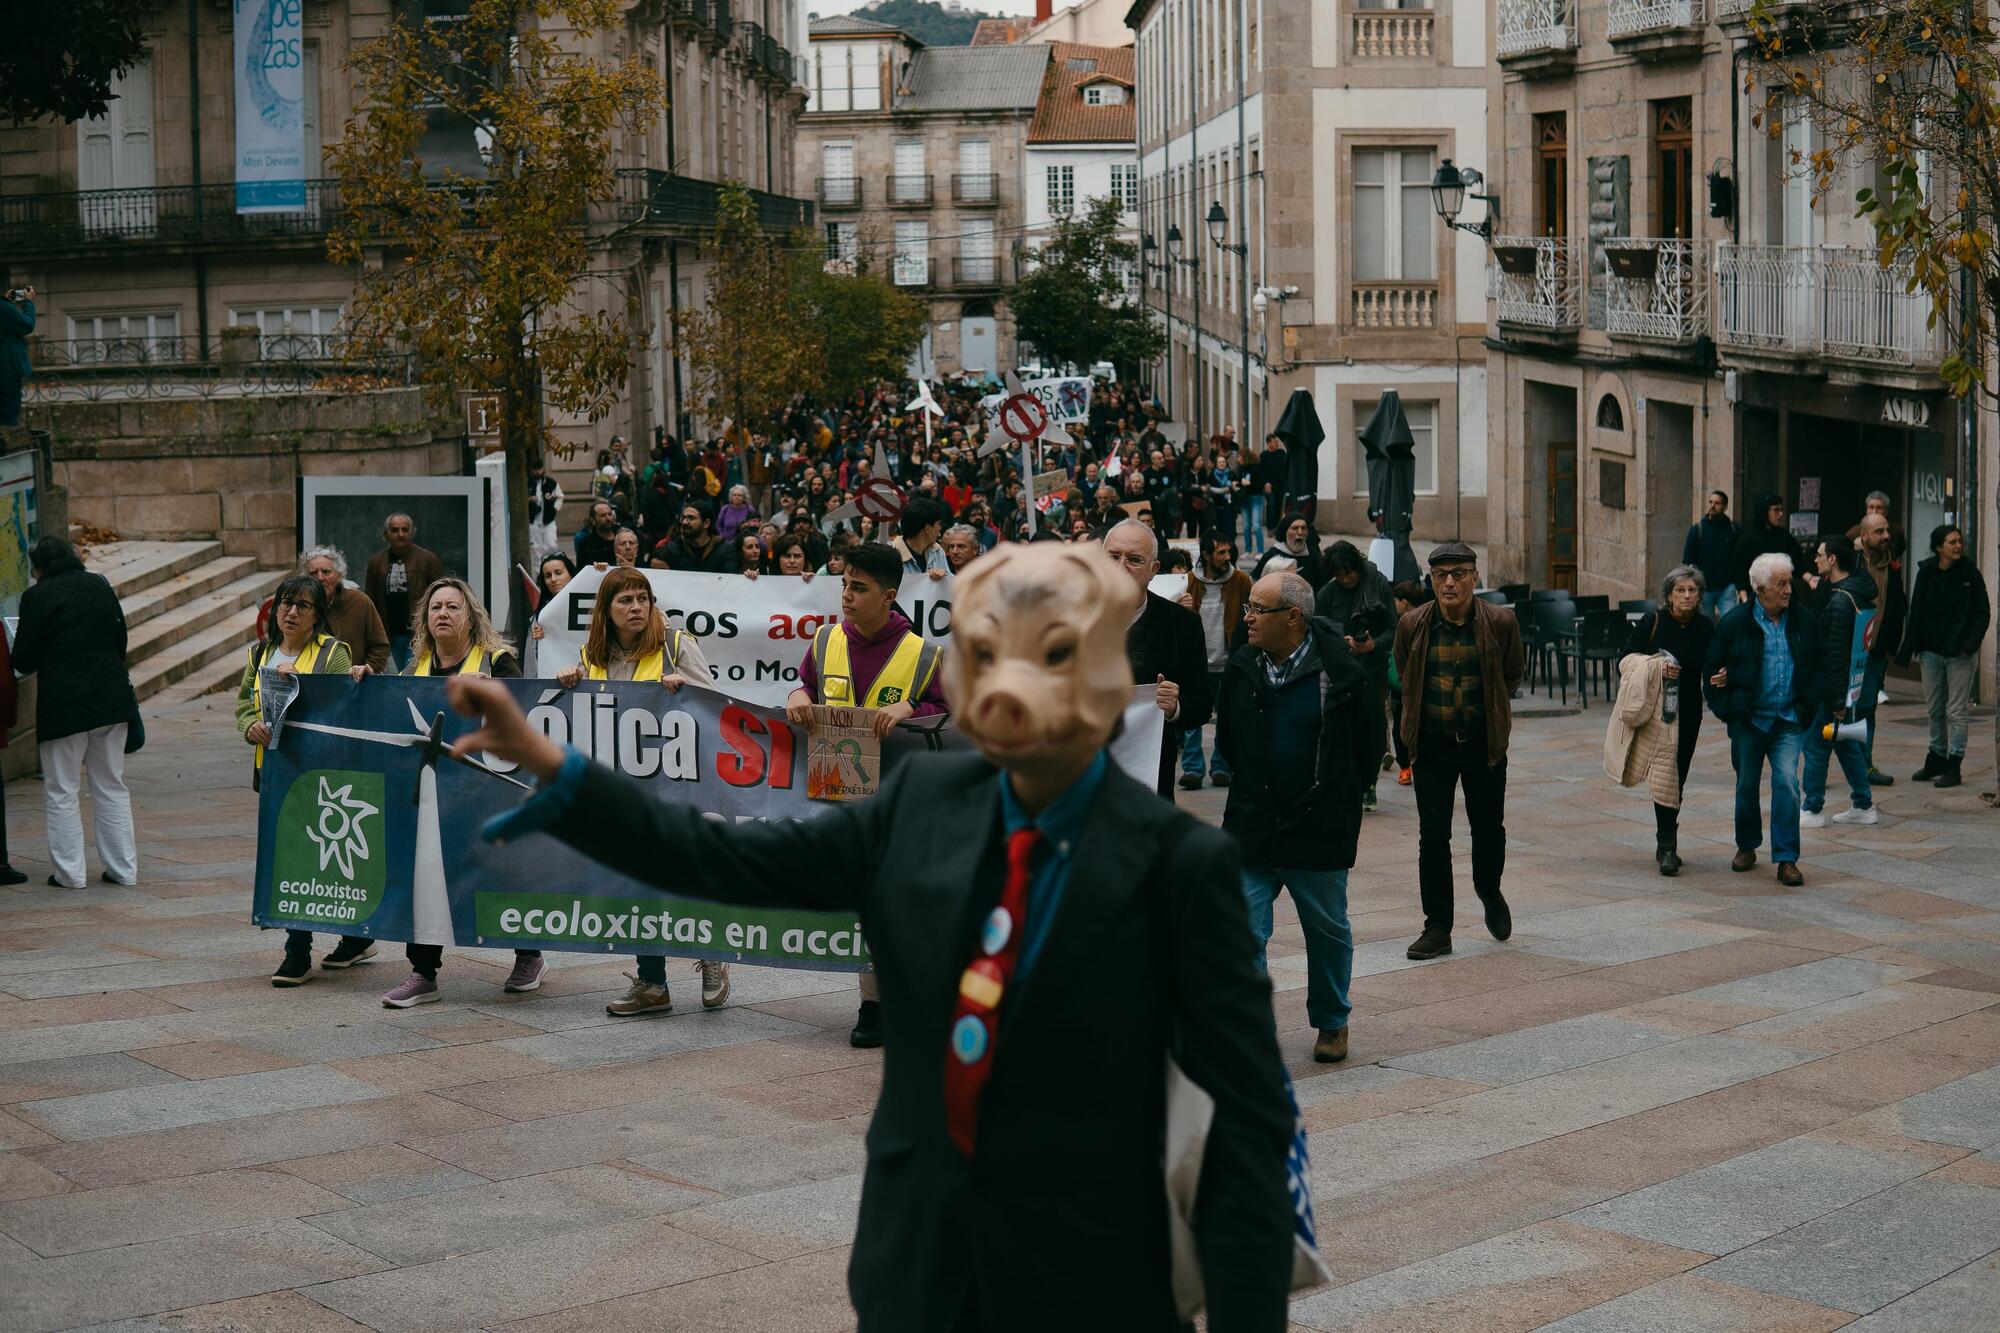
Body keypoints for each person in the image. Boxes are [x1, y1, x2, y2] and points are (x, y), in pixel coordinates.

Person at [443, 541, 1300, 1331]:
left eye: (1051, 655)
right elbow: (723, 859)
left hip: (1094, 1285)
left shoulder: (1182, 868)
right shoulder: (919, 807)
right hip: (917, 1272)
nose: (1010, 682)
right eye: (987, 651)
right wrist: (561, 772)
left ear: (1107, 678)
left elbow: (1249, 1140)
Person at [784, 542, 949, 1048]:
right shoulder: (825, 640)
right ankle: (873, 1004)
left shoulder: (925, 654)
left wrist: (911, 709)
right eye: (844, 585)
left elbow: (950, 716)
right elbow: (805, 685)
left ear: (889, 595)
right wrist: (797, 696)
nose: (847, 596)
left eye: (859, 587)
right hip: (841, 794)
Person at [554, 567, 731, 1015]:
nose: (636, 607)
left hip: (677, 785)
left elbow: (713, 703)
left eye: (642, 598)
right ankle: (652, 983)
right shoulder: (592, 655)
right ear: (606, 610)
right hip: (623, 791)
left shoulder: (675, 644)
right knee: (638, 884)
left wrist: (684, 688)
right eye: (625, 600)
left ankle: (712, 955)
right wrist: (572, 680)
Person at [1214, 571, 1373, 1064]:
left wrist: (1337, 800)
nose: (1248, 618)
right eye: (1248, 608)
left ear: (1293, 617)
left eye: (1258, 610)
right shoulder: (1243, 666)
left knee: (1326, 931)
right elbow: (1228, 742)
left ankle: (1332, 1021)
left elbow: (1368, 748)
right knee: (1241, 931)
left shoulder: (1340, 673)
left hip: (1317, 827)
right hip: (1253, 825)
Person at [366, 577, 544, 1005]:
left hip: (487, 791)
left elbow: (527, 712)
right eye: (435, 607)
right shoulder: (415, 667)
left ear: (471, 617)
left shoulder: (497, 660)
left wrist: (499, 692)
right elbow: (392, 713)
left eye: (452, 607)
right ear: (425, 620)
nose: (442, 613)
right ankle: (423, 972)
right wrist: (365, 682)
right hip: (434, 795)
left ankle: (528, 954)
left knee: (501, 870)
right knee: (424, 872)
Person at [234, 575, 376, 983]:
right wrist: (249, 725)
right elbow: (244, 703)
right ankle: (299, 951)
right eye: (285, 603)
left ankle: (352, 937)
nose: (292, 612)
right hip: (275, 773)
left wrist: (302, 683)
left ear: (317, 616)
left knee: (333, 859)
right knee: (291, 860)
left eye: (303, 606)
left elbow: (343, 708)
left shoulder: (333, 652)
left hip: (323, 774)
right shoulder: (260, 653)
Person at [1391, 542, 1524, 960]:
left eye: (1458, 574)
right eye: (1440, 575)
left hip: (1483, 745)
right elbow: (1405, 675)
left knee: (1488, 830)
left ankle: (1489, 891)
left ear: (1475, 577)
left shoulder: (1500, 622)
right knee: (1433, 837)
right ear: (1431, 581)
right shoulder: (1412, 625)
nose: (1449, 582)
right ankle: (1437, 927)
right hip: (1432, 745)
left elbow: (1512, 675)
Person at [12, 536, 140, 889]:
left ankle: (70, 874)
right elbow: (120, 640)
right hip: (111, 702)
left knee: (62, 790)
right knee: (111, 786)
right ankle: (123, 870)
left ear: (39, 568)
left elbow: (24, 658)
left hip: (62, 708)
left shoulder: (36, 597)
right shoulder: (99, 585)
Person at [1703, 552, 1820, 887]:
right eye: (1781, 584)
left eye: (1789, 583)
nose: (1788, 590)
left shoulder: (1803, 619)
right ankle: (1747, 844)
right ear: (1759, 588)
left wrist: (1809, 705)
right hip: (1749, 720)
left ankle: (1786, 858)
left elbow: (1818, 665)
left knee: (1787, 782)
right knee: (1746, 784)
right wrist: (1730, 711)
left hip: (1788, 719)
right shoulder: (1735, 623)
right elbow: (1711, 674)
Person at [1103, 518, 1209, 800]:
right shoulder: (1065, 618)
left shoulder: (1181, 625)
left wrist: (1176, 706)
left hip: (1148, 780)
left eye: (1134, 560)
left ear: (1153, 570)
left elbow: (1202, 703)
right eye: (1113, 556)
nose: (1121, 567)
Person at [1621, 566, 1715, 875]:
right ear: (1669, 595)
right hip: (1659, 713)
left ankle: (1665, 839)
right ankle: (1668, 846)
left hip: (1689, 712)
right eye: (1680, 590)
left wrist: (1722, 675)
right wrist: (1657, 667)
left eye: (1692, 590)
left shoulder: (1705, 627)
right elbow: (1626, 658)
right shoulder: (1654, 621)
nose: (1687, 595)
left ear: (1699, 596)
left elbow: (1714, 663)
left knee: (1679, 777)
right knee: (1666, 775)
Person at [1899, 524, 1989, 789]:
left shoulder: (1970, 573)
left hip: (1960, 654)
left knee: (1956, 711)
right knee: (1935, 709)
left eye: (1959, 541)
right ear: (1939, 547)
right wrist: (1908, 649)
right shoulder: (1926, 572)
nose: (1958, 546)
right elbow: (1916, 612)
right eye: (1952, 542)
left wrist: (1969, 645)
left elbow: (1982, 612)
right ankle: (1936, 756)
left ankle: (1954, 763)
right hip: (1931, 651)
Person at [1798, 536, 1877, 830]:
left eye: (1820, 554)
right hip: (1848, 686)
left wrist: (1835, 700)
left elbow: (1835, 655)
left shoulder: (1841, 601)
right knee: (1844, 744)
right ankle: (1863, 804)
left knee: (1816, 745)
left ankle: (1812, 808)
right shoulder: (1855, 593)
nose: (1815, 559)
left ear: (1833, 559)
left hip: (1833, 689)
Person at [1316, 541, 1395, 812]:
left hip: (1372, 670)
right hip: (1339, 672)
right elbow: (1319, 631)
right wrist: (1340, 644)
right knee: (1340, 731)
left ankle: (1369, 783)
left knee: (1371, 731)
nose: (1346, 579)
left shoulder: (1378, 585)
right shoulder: (1327, 594)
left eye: (1348, 573)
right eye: (1339, 575)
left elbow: (1392, 628)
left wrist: (1373, 645)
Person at [1178, 535, 1250, 791]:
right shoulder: (1189, 581)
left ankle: (1221, 767)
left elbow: (1249, 615)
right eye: (1221, 553)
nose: (1227, 557)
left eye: (1228, 552)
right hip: (1196, 661)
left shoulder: (1240, 580)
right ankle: (1192, 769)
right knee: (1192, 717)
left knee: (1226, 717)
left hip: (1228, 660)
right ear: (1207, 555)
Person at [1854, 511, 1908, 789]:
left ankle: (1865, 764)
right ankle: (1819, 768)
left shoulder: (1892, 567)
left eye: (1887, 530)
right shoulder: (1851, 561)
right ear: (1864, 536)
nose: (1886, 536)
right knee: (1833, 709)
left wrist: (1889, 646)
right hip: (1847, 651)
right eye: (1879, 532)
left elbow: (1897, 607)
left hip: (1875, 652)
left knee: (1866, 707)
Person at [365, 514, 446, 670]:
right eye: (395, 530)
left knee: (413, 673)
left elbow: (440, 594)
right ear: (386, 534)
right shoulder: (376, 562)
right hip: (389, 633)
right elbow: (370, 598)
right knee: (395, 675)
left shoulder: (428, 560)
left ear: (412, 532)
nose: (400, 534)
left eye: (404, 530)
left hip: (418, 632)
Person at [301, 545, 390, 674]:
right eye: (313, 573)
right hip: (310, 681)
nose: (320, 578)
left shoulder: (360, 602)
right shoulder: (297, 606)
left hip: (353, 681)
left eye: (326, 572)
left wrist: (365, 671)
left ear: (339, 575)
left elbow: (380, 646)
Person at [1386, 580, 1430, 786]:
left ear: (1403, 602)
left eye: (1396, 601)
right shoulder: (1427, 620)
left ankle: (1406, 767)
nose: (1394, 604)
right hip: (1414, 685)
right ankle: (1412, 764)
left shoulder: (1405, 623)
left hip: (1403, 685)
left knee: (1401, 726)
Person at [1728, 493, 1799, 606]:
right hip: (1756, 599)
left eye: (1781, 510)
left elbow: (1798, 564)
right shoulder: (1748, 539)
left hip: (1784, 600)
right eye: (1776, 510)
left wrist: (1810, 579)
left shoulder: (1785, 536)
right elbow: (1738, 571)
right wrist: (1745, 599)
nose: (1780, 514)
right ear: (1764, 511)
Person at [1684, 491, 1738, 617]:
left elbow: (1739, 558)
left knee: (1729, 623)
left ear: (1725, 506)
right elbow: (1688, 560)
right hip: (1704, 589)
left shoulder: (1733, 530)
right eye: (1710, 502)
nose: (1712, 506)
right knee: (1706, 625)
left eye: (1717, 503)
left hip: (1727, 588)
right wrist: (1694, 585)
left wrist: (1735, 583)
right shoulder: (1698, 529)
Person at [651, 498, 738, 572]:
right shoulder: (673, 548)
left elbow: (729, 578)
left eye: (691, 518)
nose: (684, 522)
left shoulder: (724, 550)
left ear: (706, 523)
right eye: (683, 518)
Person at [1252, 511, 1322, 585]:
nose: (1300, 532)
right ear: (1285, 531)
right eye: (1295, 528)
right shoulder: (1271, 555)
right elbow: (1254, 581)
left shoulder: (1314, 556)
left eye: (1303, 528)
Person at [894, 495, 951, 581]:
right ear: (927, 528)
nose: (940, 529)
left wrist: (944, 577)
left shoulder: (937, 551)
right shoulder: (892, 555)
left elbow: (950, 583)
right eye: (939, 524)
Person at [0, 283, 34, 427]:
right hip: (5, 371)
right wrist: (28, 302)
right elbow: (27, 325)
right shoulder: (2, 308)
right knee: (7, 417)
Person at [1846, 490, 1908, 565]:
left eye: (1879, 508)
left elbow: (1900, 550)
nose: (1874, 511)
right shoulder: (1854, 533)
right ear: (1866, 510)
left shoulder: (1896, 531)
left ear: (1886, 511)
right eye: (1871, 507)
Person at [527, 456, 564, 556]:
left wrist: (555, 508)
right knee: (536, 548)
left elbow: (560, 496)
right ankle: (538, 566)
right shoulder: (528, 483)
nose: (537, 472)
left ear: (543, 469)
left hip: (549, 520)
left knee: (551, 545)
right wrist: (529, 499)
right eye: (535, 469)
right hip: (533, 521)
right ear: (532, 470)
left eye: (539, 469)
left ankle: (551, 563)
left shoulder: (551, 483)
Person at [573, 499, 621, 568]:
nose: (608, 518)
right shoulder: (586, 544)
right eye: (602, 515)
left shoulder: (623, 537)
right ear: (593, 520)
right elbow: (581, 569)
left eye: (609, 514)